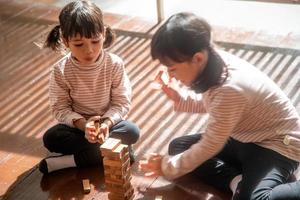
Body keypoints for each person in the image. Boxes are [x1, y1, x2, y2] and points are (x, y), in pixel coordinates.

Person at [139, 12, 300, 200]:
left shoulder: (230, 87)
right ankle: (238, 181)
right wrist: (179, 98)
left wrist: (167, 167)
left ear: (197, 58)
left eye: (172, 68)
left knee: (254, 198)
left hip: (277, 145)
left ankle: (258, 182)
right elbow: (213, 104)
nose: (170, 74)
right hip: (244, 137)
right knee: (179, 147)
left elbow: (210, 144)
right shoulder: (213, 62)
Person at [38, 0, 140, 174]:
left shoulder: (114, 64)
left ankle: (71, 161)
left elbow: (121, 102)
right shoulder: (60, 70)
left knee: (131, 131)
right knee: (51, 138)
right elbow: (60, 108)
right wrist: (85, 126)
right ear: (65, 40)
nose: (89, 50)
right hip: (78, 128)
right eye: (78, 44)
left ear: (104, 33)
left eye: (95, 41)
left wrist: (106, 124)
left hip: (109, 124)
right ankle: (115, 151)